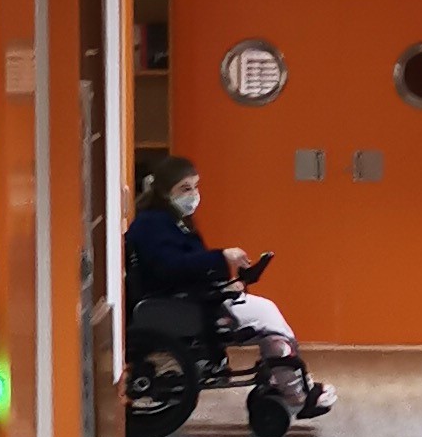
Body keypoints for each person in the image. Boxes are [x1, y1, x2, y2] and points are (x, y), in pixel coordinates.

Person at [124, 154, 334, 418]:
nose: (193, 195)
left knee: (266, 313)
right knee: (268, 320)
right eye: (185, 189)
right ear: (165, 192)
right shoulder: (153, 224)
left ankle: (290, 384)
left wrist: (224, 282)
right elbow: (170, 267)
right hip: (180, 302)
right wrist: (222, 257)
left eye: (195, 186)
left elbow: (187, 266)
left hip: (191, 296)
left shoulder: (171, 221)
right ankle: (296, 393)